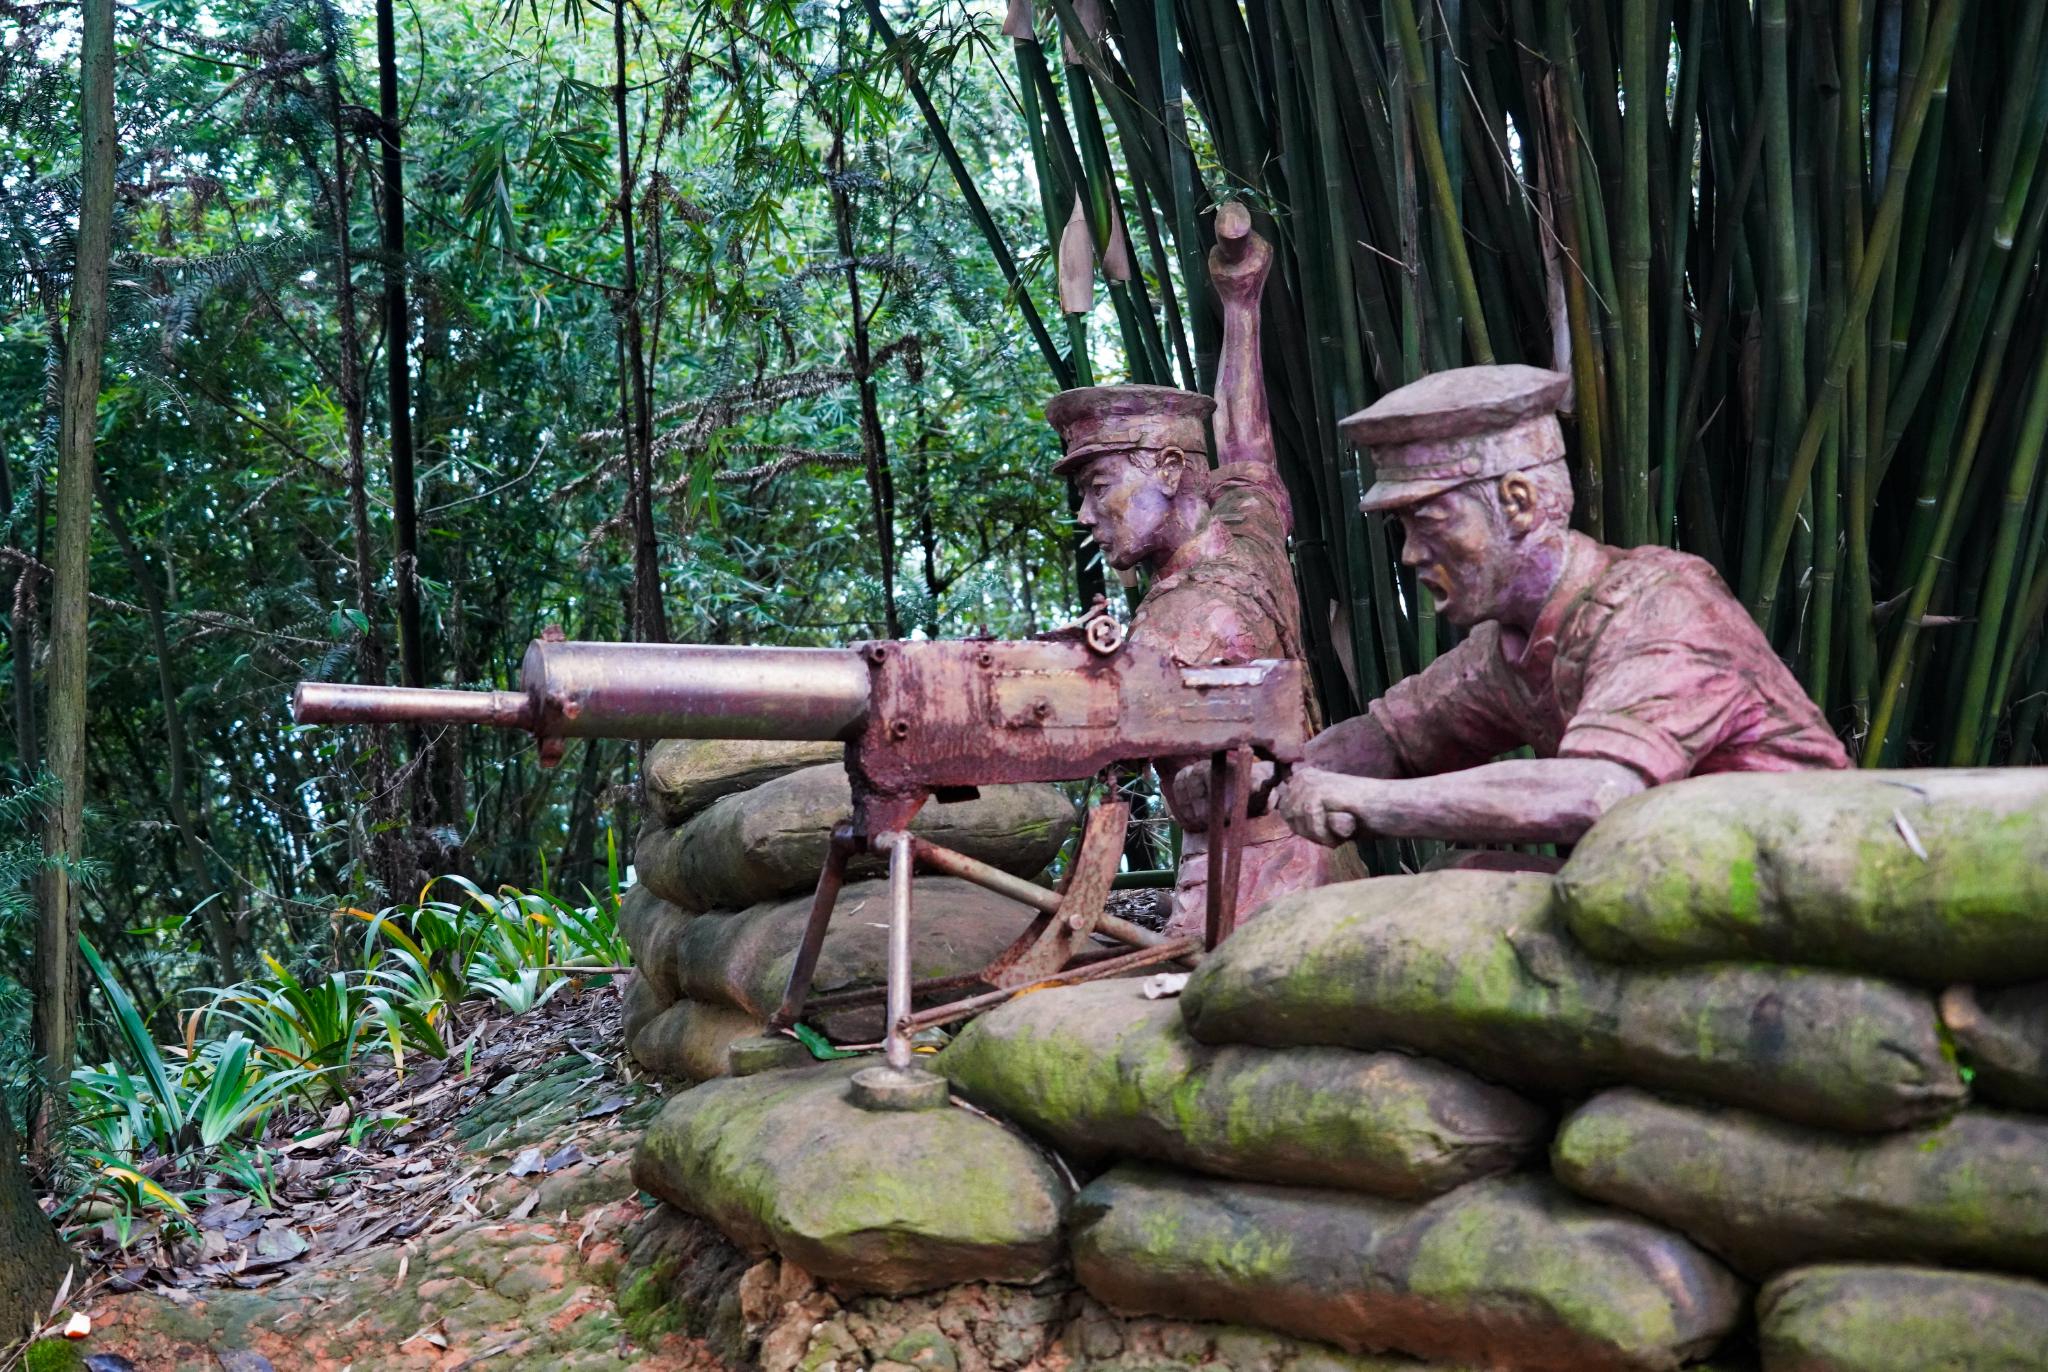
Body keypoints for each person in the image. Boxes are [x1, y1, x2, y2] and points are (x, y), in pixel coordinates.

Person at [1272, 364, 1848, 855]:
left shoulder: (1659, 609)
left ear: (1517, 503)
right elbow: (1392, 739)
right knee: (1467, 883)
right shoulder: (1509, 648)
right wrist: (1266, 778)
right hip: (1686, 884)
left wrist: (1365, 803)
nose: (1411, 555)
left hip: (1804, 873)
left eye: (1429, 521)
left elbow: (1594, 792)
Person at [1046, 206, 1346, 936]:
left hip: (1247, 895)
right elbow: (1247, 453)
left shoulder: (1184, 621)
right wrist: (1241, 305)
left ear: (1173, 469)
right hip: (1318, 864)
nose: (1086, 515)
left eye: (1097, 489)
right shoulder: (1247, 533)